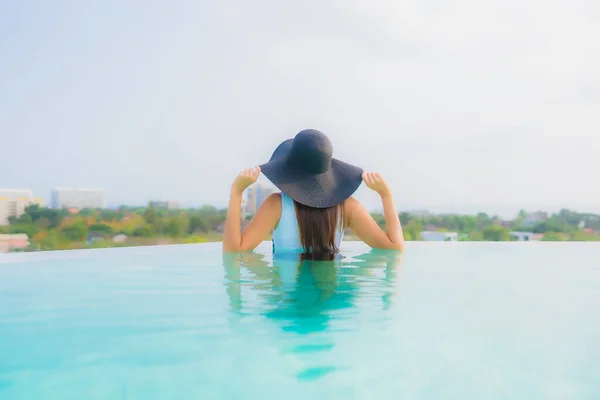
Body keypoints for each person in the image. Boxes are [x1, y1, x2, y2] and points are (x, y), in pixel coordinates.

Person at [223, 129, 404, 256]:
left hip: (287, 305)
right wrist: (385, 195)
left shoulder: (276, 205)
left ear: (287, 169)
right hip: (331, 301)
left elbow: (234, 250)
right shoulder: (348, 207)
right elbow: (394, 247)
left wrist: (237, 191)